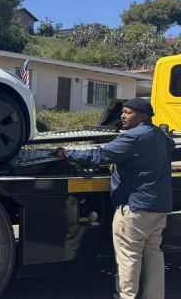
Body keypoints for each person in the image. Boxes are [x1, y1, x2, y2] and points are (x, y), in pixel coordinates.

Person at [57, 98, 173, 299]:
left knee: (129, 255)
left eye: (128, 112)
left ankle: (126, 296)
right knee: (153, 253)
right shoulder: (160, 137)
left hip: (135, 207)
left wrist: (68, 153)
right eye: (123, 112)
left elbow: (100, 156)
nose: (122, 115)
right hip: (159, 206)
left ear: (143, 116)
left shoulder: (132, 138)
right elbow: (170, 145)